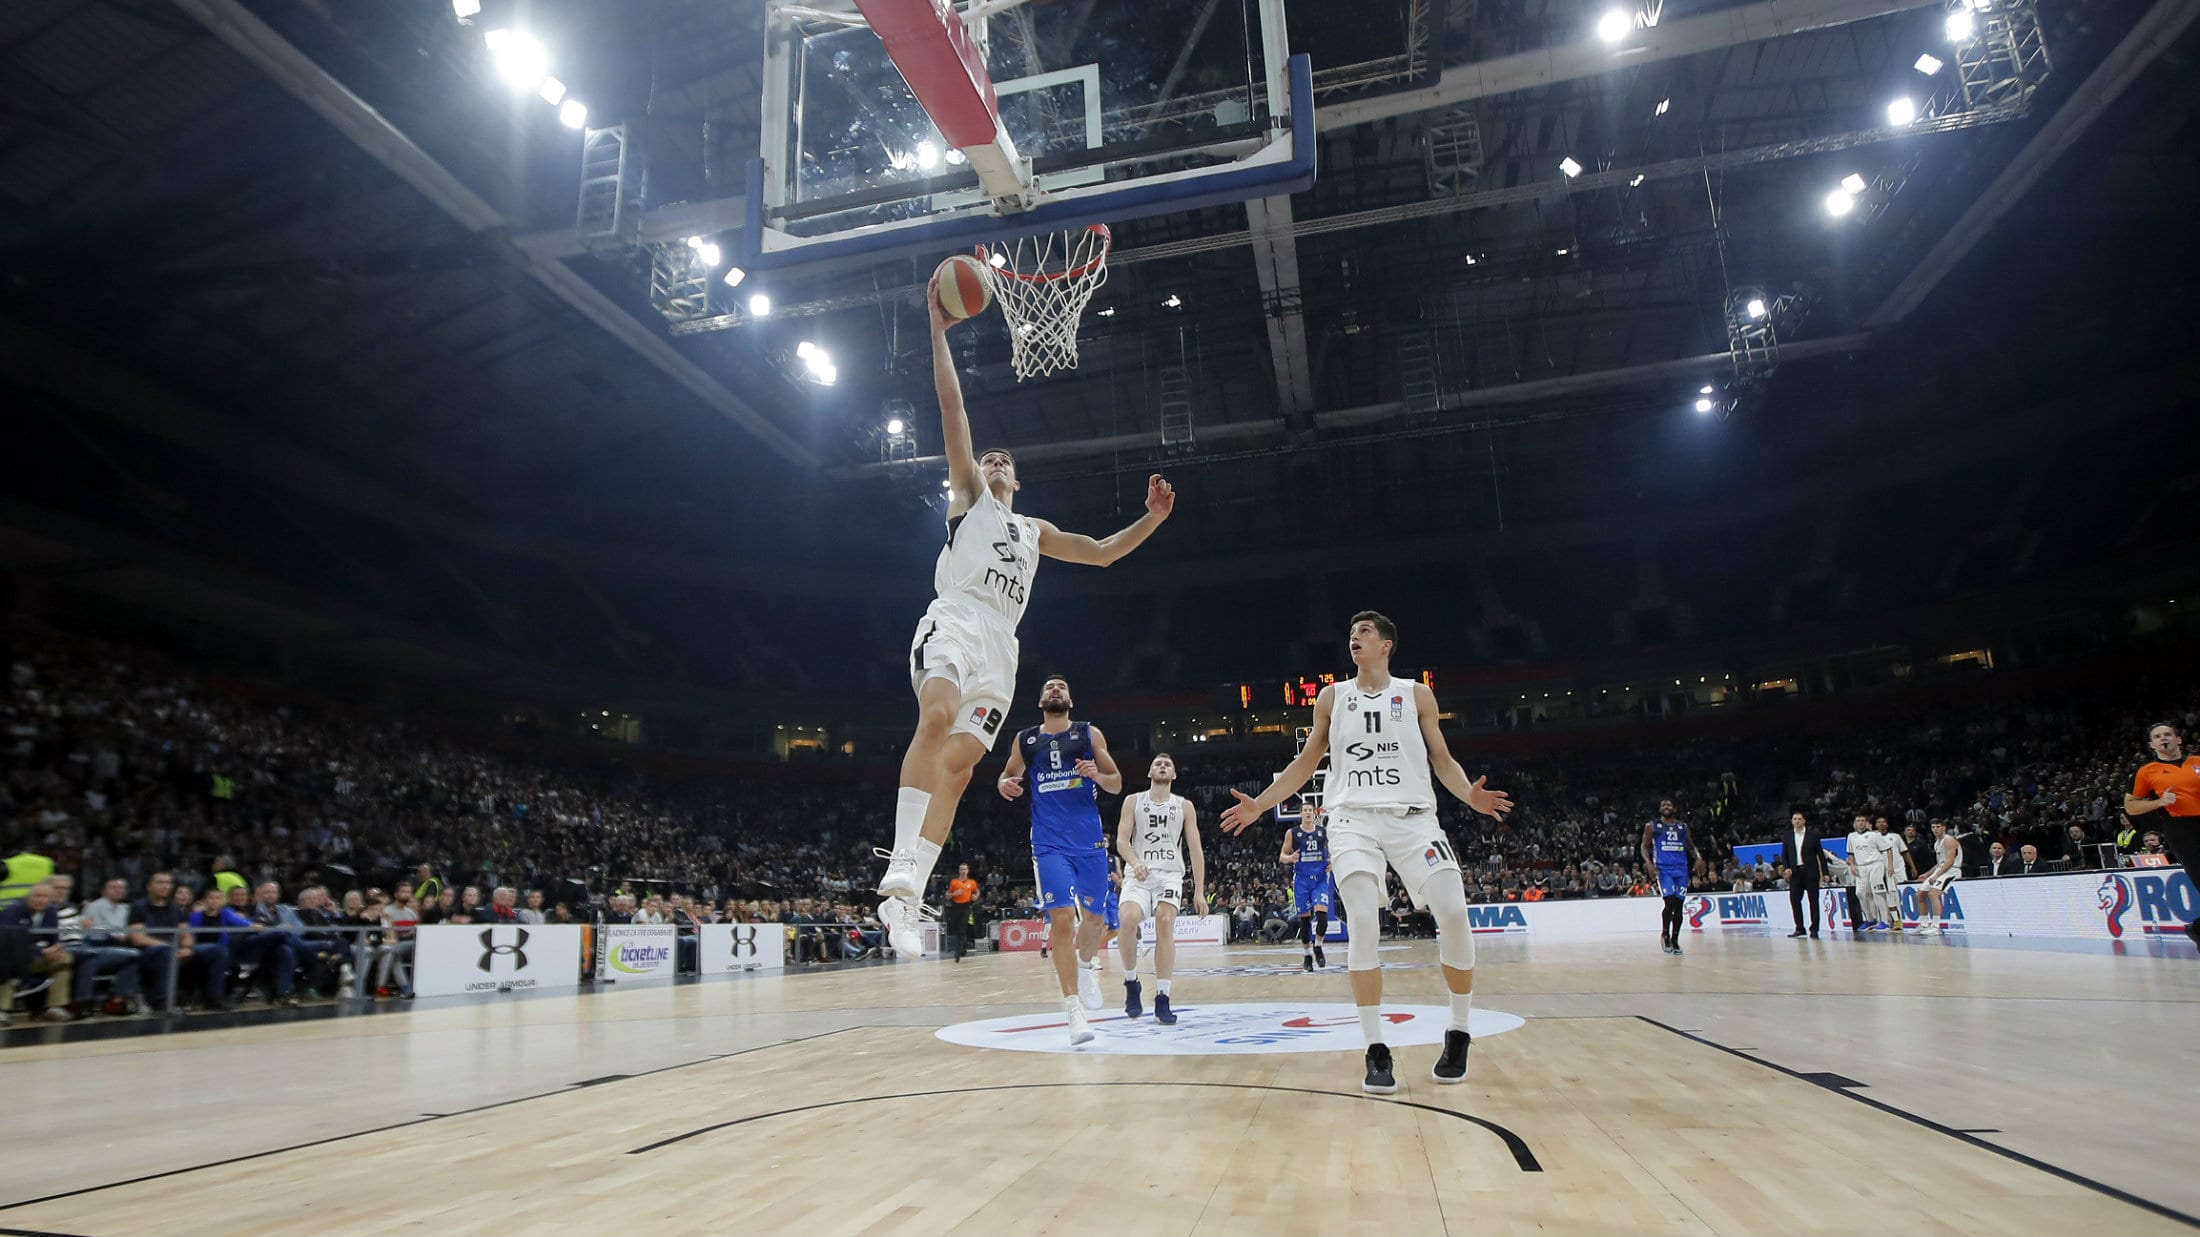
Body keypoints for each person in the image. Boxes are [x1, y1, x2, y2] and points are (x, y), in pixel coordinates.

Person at [871, 275, 1176, 960]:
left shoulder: (1033, 528)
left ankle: (908, 890)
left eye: (1005, 460)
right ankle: (899, 863)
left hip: (1001, 649)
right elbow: (953, 411)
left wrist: (1150, 521)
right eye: (988, 458)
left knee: (956, 769)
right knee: (935, 715)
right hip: (955, 619)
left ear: (1019, 479)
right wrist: (938, 331)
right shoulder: (969, 503)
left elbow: (1098, 554)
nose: (995, 459)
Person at [1222, 612, 1512, 1094]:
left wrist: (1470, 796)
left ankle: (1459, 1031)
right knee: (1360, 920)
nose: (1354, 638)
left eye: (1364, 633)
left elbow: (1442, 757)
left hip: (1414, 819)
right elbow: (1307, 759)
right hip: (1353, 819)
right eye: (1351, 633)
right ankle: (1376, 1049)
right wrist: (1262, 804)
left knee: (1455, 912)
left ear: (1387, 645)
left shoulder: (1416, 693)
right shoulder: (1332, 697)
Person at [996, 676, 1125, 1044]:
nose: (1056, 690)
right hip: (1049, 844)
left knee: (1096, 918)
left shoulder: (1088, 734)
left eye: (1062, 687)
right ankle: (1073, 1011)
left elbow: (1116, 782)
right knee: (1063, 919)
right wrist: (1003, 784)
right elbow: (1008, 776)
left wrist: (1097, 775)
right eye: (1050, 687)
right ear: (1040, 701)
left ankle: (1086, 968)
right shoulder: (1025, 740)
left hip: (1088, 842)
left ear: (1071, 699)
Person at [1116, 753, 1204, 1024]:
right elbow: (1121, 840)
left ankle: (1163, 997)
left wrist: (1199, 891)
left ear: (1174, 775)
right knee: (1128, 919)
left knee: (1165, 923)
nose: (1163, 766)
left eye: (1167, 765)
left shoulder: (1184, 806)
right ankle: (1132, 983)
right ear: (1149, 772)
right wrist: (1134, 862)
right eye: (1157, 763)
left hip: (1169, 874)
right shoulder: (1133, 801)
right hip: (1139, 872)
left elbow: (1196, 849)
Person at [1641, 799, 1699, 954]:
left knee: (1679, 906)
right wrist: (1649, 864)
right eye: (1663, 805)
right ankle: (1665, 935)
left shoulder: (1682, 827)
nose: (1665, 807)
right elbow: (1644, 847)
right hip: (1663, 869)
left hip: (1681, 870)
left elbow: (1691, 847)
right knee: (1670, 902)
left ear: (1674, 808)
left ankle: (1675, 940)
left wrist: (1699, 858)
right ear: (1660, 809)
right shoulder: (1652, 826)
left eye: (1668, 805)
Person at [1280, 803, 1333, 971]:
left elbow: (1334, 850)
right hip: (1302, 880)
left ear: (1314, 814)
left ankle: (1318, 946)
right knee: (1304, 920)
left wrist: (1333, 861)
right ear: (1301, 814)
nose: (1308, 813)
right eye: (1305, 810)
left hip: (1320, 879)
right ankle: (1307, 955)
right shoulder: (1292, 833)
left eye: (1310, 810)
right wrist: (1290, 858)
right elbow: (1282, 856)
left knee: (1322, 917)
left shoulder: (1323, 832)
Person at [1780, 811, 1828, 939]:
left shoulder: (1812, 835)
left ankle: (1814, 929)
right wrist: (1787, 868)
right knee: (1794, 900)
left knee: (1813, 901)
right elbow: (1784, 855)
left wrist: (1825, 872)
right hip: (1796, 873)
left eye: (1799, 819)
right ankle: (1800, 928)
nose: (1797, 821)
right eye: (1794, 819)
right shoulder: (1788, 835)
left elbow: (1821, 855)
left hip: (1811, 872)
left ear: (1804, 820)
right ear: (1792, 821)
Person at [1916, 819, 1962, 935]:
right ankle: (1924, 924)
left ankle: (1936, 926)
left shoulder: (1949, 840)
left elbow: (1949, 862)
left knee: (1933, 893)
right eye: (1933, 827)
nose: (1935, 829)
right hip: (1941, 870)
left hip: (1952, 871)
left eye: (1938, 826)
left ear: (1943, 828)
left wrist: (1936, 875)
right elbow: (1939, 863)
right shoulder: (1937, 843)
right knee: (1920, 894)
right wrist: (1927, 874)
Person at [942, 864, 980, 961]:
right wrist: (955, 893)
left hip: (966, 906)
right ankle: (962, 947)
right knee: (956, 929)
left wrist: (976, 896)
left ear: (967, 871)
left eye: (965, 869)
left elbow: (976, 891)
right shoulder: (954, 882)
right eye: (961, 869)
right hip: (955, 906)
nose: (963, 871)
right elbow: (947, 895)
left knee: (962, 929)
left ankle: (958, 951)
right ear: (959, 871)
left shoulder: (971, 882)